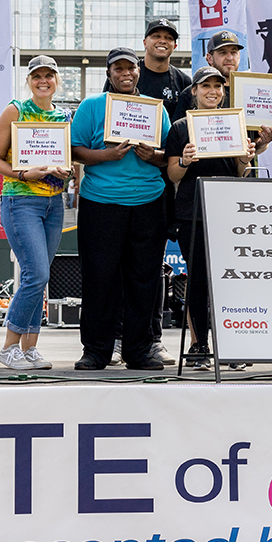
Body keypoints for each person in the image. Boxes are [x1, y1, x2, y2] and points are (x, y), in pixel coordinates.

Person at [70, 47, 171, 371]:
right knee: (100, 279)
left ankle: (139, 350)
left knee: (144, 280)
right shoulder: (91, 106)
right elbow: (74, 148)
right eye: (119, 69)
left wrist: (151, 156)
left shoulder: (155, 110)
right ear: (109, 74)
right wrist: (106, 156)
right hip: (101, 203)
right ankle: (96, 351)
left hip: (148, 202)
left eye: (131, 68)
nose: (126, 73)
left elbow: (166, 154)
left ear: (139, 71)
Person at [165, 66, 257, 370]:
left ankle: (233, 346)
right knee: (199, 281)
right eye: (206, 86)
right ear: (194, 91)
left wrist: (246, 155)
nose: (212, 91)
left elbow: (243, 170)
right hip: (193, 212)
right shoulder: (180, 127)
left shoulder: (235, 123)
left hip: (228, 210)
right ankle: (199, 345)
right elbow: (173, 174)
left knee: (229, 281)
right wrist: (185, 160)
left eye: (218, 86)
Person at [0, 55, 74, 370]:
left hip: (54, 203)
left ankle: (29, 348)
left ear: (56, 80)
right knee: (37, 274)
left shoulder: (64, 116)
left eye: (49, 75)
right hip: (20, 200)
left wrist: (67, 170)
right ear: (29, 81)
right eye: (37, 75)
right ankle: (9, 347)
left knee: (37, 277)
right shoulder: (16, 110)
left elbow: (68, 160)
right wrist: (25, 174)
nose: (43, 81)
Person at [135, 19, 192, 364]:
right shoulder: (127, 72)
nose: (162, 41)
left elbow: (188, 131)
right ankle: (119, 336)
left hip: (168, 178)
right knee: (133, 263)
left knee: (154, 264)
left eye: (169, 38)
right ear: (145, 41)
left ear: (174, 46)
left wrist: (165, 158)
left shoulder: (183, 82)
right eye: (156, 36)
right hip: (127, 178)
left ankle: (153, 339)